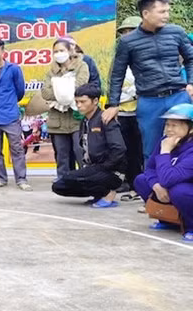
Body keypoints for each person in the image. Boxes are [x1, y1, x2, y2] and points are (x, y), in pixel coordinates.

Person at [104, 0, 193, 160]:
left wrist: (191, 83)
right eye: (162, 12)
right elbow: (117, 74)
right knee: (151, 148)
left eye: (167, 11)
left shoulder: (177, 32)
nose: (166, 15)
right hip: (149, 100)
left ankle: (183, 185)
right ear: (146, 14)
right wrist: (113, 104)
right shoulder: (128, 42)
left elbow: (190, 58)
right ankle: (153, 184)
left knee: (186, 144)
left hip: (178, 96)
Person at [51, 84, 126, 207]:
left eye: (83, 101)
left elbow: (119, 149)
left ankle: (108, 193)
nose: (79, 105)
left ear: (95, 101)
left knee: (71, 177)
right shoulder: (85, 121)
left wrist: (104, 167)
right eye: (76, 102)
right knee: (59, 186)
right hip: (94, 167)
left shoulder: (105, 119)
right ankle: (98, 194)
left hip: (112, 171)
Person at [133, 103, 193, 239]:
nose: (169, 130)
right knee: (141, 180)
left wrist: (165, 151)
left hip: (185, 190)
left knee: (179, 191)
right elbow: (150, 168)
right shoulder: (165, 141)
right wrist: (155, 185)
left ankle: (191, 226)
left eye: (174, 126)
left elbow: (168, 179)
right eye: (167, 125)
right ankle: (167, 220)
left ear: (190, 129)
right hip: (171, 185)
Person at [0, 39, 31, 191]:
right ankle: (1, 177)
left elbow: (20, 91)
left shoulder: (14, 69)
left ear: (3, 53)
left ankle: (21, 179)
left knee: (16, 149)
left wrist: (8, 103)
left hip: (10, 116)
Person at [41, 38, 89, 178]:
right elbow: (46, 92)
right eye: (55, 51)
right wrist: (66, 90)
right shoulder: (51, 71)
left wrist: (58, 89)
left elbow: (81, 86)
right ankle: (64, 182)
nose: (58, 54)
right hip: (57, 120)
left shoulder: (81, 66)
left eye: (61, 50)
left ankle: (84, 180)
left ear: (69, 51)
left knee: (80, 151)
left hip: (76, 118)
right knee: (62, 155)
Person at [114, 16, 145, 202]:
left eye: (130, 31)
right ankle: (133, 184)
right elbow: (114, 83)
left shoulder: (147, 56)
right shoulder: (120, 58)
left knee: (144, 150)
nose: (127, 35)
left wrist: (131, 94)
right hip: (123, 113)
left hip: (142, 112)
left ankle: (145, 186)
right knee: (128, 151)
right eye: (124, 33)